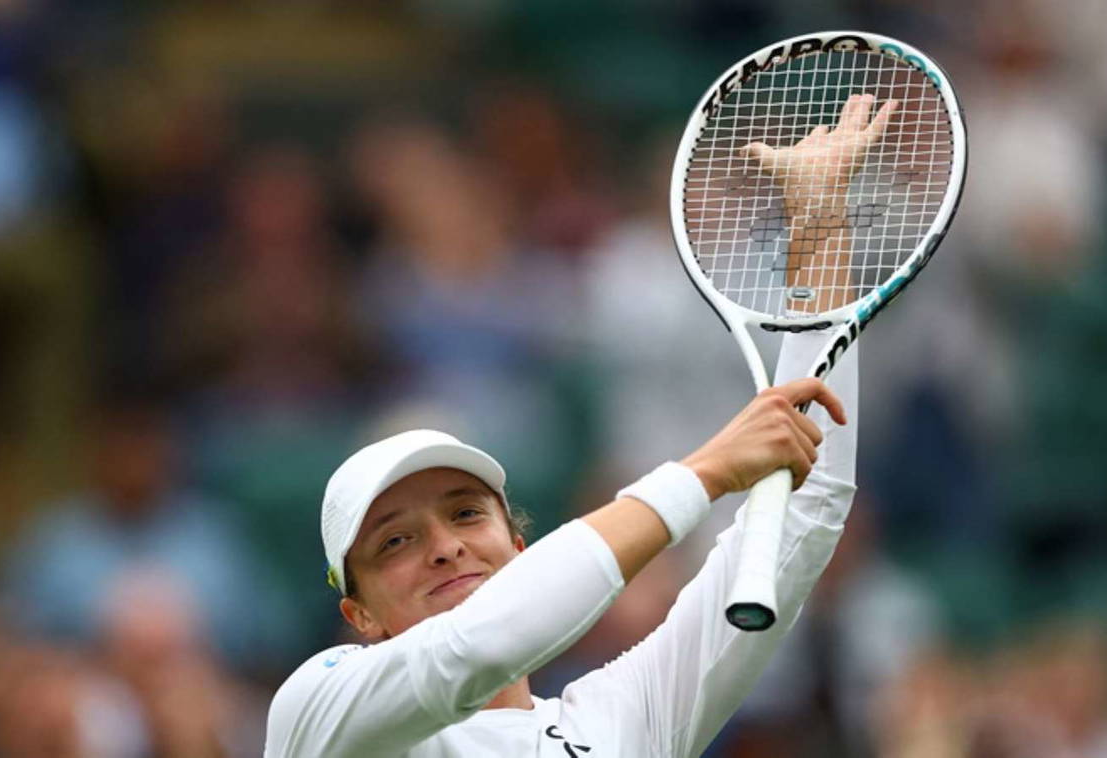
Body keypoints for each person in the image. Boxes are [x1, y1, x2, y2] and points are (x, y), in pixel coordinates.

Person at [264, 94, 892, 757]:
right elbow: (474, 647)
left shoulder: (622, 722)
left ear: (520, 549)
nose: (446, 547)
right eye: (395, 541)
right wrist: (704, 473)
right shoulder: (318, 711)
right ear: (359, 615)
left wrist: (821, 227)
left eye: (467, 514)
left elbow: (806, 504)